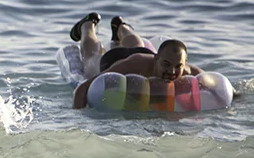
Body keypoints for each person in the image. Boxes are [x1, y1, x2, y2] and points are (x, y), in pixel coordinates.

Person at [69, 12, 203, 109]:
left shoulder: (185, 70)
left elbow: (212, 83)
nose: (172, 71)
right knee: (91, 59)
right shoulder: (135, 64)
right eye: (166, 64)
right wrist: (79, 122)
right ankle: (87, 25)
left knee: (137, 46)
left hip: (141, 52)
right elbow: (83, 87)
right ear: (157, 58)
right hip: (116, 60)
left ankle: (120, 26)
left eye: (177, 66)